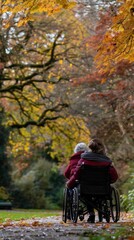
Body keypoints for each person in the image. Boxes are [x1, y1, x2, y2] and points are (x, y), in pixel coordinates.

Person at [66, 138, 119, 223]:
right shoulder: (107, 161)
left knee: (86, 195)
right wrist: (110, 181)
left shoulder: (83, 159)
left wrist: (69, 183)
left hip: (86, 189)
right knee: (101, 195)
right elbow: (114, 176)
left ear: (90, 148)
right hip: (103, 189)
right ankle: (102, 211)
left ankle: (91, 213)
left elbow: (76, 175)